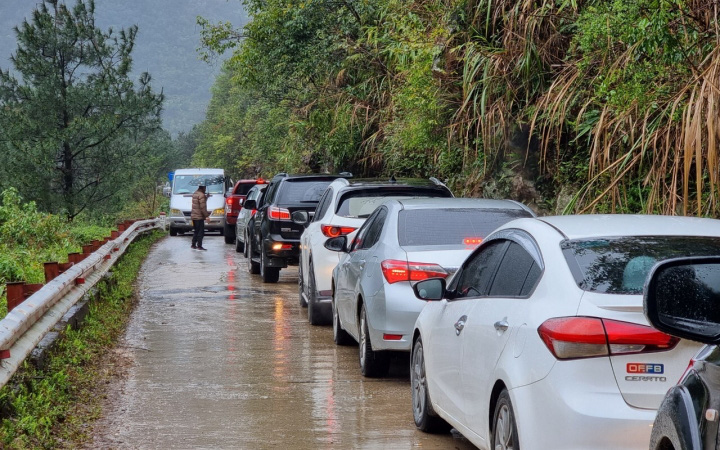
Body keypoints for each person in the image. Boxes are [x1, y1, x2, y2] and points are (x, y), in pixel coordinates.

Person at [191, 184, 210, 250]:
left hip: (194, 215)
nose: (205, 189)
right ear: (203, 188)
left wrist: (206, 197)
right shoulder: (201, 195)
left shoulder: (195, 193)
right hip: (199, 216)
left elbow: (199, 203)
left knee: (196, 231)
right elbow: (202, 207)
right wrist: (206, 216)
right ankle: (199, 245)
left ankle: (193, 244)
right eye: (205, 188)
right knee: (200, 232)